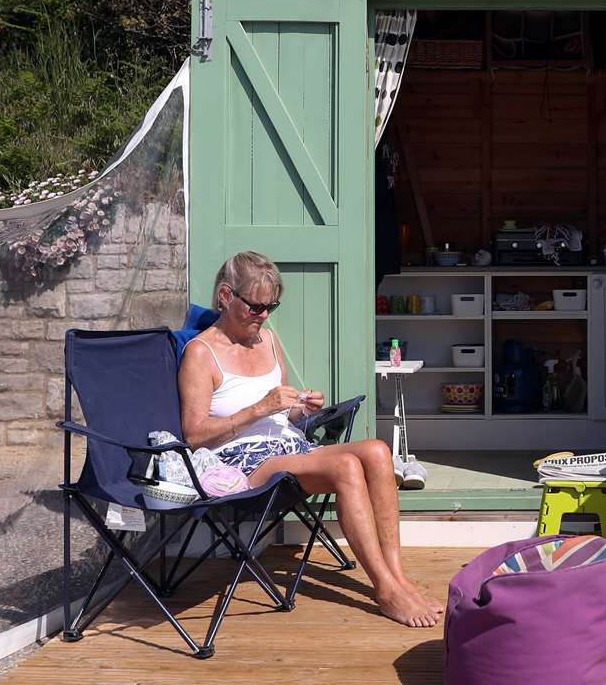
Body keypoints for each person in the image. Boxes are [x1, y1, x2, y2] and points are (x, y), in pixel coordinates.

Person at [178, 251, 440, 628]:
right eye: (255, 307)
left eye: (271, 307)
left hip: (287, 447)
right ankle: (385, 590)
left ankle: (399, 576)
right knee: (346, 465)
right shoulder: (200, 354)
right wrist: (256, 409)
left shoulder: (267, 340)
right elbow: (194, 435)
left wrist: (302, 408)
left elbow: (282, 414)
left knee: (378, 451)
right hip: (242, 461)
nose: (263, 316)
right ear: (224, 295)